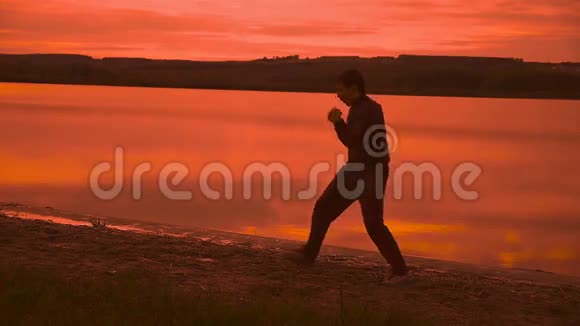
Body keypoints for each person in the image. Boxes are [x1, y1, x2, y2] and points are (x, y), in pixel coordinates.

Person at [289, 69, 408, 279]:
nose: (338, 95)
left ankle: (399, 268)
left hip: (370, 172)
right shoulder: (363, 108)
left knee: (372, 223)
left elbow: (352, 140)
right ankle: (309, 253)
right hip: (358, 170)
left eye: (340, 89)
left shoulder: (366, 110)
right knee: (324, 208)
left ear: (353, 89)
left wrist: (337, 122)